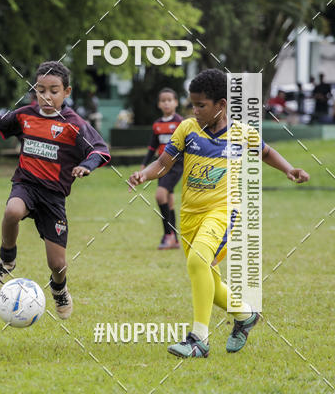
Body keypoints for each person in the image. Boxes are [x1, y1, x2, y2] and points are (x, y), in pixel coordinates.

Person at [129, 69, 309, 358]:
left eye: (201, 105)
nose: (195, 110)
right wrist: (144, 175)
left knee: (198, 262)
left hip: (223, 212)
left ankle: (198, 339)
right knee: (207, 279)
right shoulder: (187, 129)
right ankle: (245, 314)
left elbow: (265, 152)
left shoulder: (241, 133)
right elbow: (163, 163)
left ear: (221, 105)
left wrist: (289, 169)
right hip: (190, 216)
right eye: (193, 105)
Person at [0, 61, 110, 319]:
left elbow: (100, 150)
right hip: (26, 185)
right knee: (12, 211)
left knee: (57, 264)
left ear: (66, 92)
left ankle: (59, 288)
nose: (46, 96)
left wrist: (86, 165)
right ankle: (6, 260)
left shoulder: (74, 124)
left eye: (54, 91)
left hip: (53, 197)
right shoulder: (25, 115)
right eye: (40, 90)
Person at [140, 88, 183, 249]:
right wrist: (144, 165)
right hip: (161, 164)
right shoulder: (157, 124)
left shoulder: (181, 123)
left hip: (176, 165)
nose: (166, 103)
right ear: (159, 104)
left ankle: (168, 235)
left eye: (169, 100)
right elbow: (152, 147)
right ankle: (174, 239)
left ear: (176, 102)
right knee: (169, 201)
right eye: (163, 101)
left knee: (160, 195)